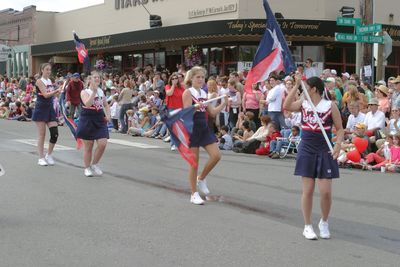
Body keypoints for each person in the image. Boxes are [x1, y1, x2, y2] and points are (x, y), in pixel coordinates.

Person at [283, 75, 344, 240]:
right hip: (306, 148)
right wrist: (296, 86)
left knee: (325, 192)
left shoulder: (330, 105)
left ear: (314, 89)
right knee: (308, 190)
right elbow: (287, 105)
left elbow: (339, 129)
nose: (303, 89)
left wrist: (338, 145)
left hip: (325, 149)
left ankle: (324, 222)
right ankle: (307, 225)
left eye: (305, 87)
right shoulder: (304, 104)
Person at [182, 66, 228, 205]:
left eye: (202, 77)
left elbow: (212, 113)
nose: (201, 79)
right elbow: (186, 113)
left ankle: (201, 178)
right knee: (194, 163)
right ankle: (193, 193)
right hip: (193, 128)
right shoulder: (188, 92)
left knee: (216, 156)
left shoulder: (203, 92)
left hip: (204, 127)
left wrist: (224, 103)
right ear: (191, 78)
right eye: (198, 77)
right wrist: (195, 107)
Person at [76, 71, 111, 177]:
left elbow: (106, 105)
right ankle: (87, 168)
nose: (97, 79)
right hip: (87, 118)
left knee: (102, 143)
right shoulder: (84, 91)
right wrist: (94, 92)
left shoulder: (101, 91)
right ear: (90, 80)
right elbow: (87, 103)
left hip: (99, 118)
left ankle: (95, 164)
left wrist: (108, 116)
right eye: (95, 77)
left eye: (98, 77)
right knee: (89, 145)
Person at [32, 63, 63, 166]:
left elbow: (52, 95)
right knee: (42, 134)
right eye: (47, 69)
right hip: (41, 108)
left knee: (55, 133)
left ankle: (49, 155)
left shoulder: (50, 81)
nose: (49, 71)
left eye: (50, 70)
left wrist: (59, 91)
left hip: (50, 108)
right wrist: (55, 91)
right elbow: (45, 95)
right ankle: (40, 157)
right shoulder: (39, 81)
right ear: (42, 70)